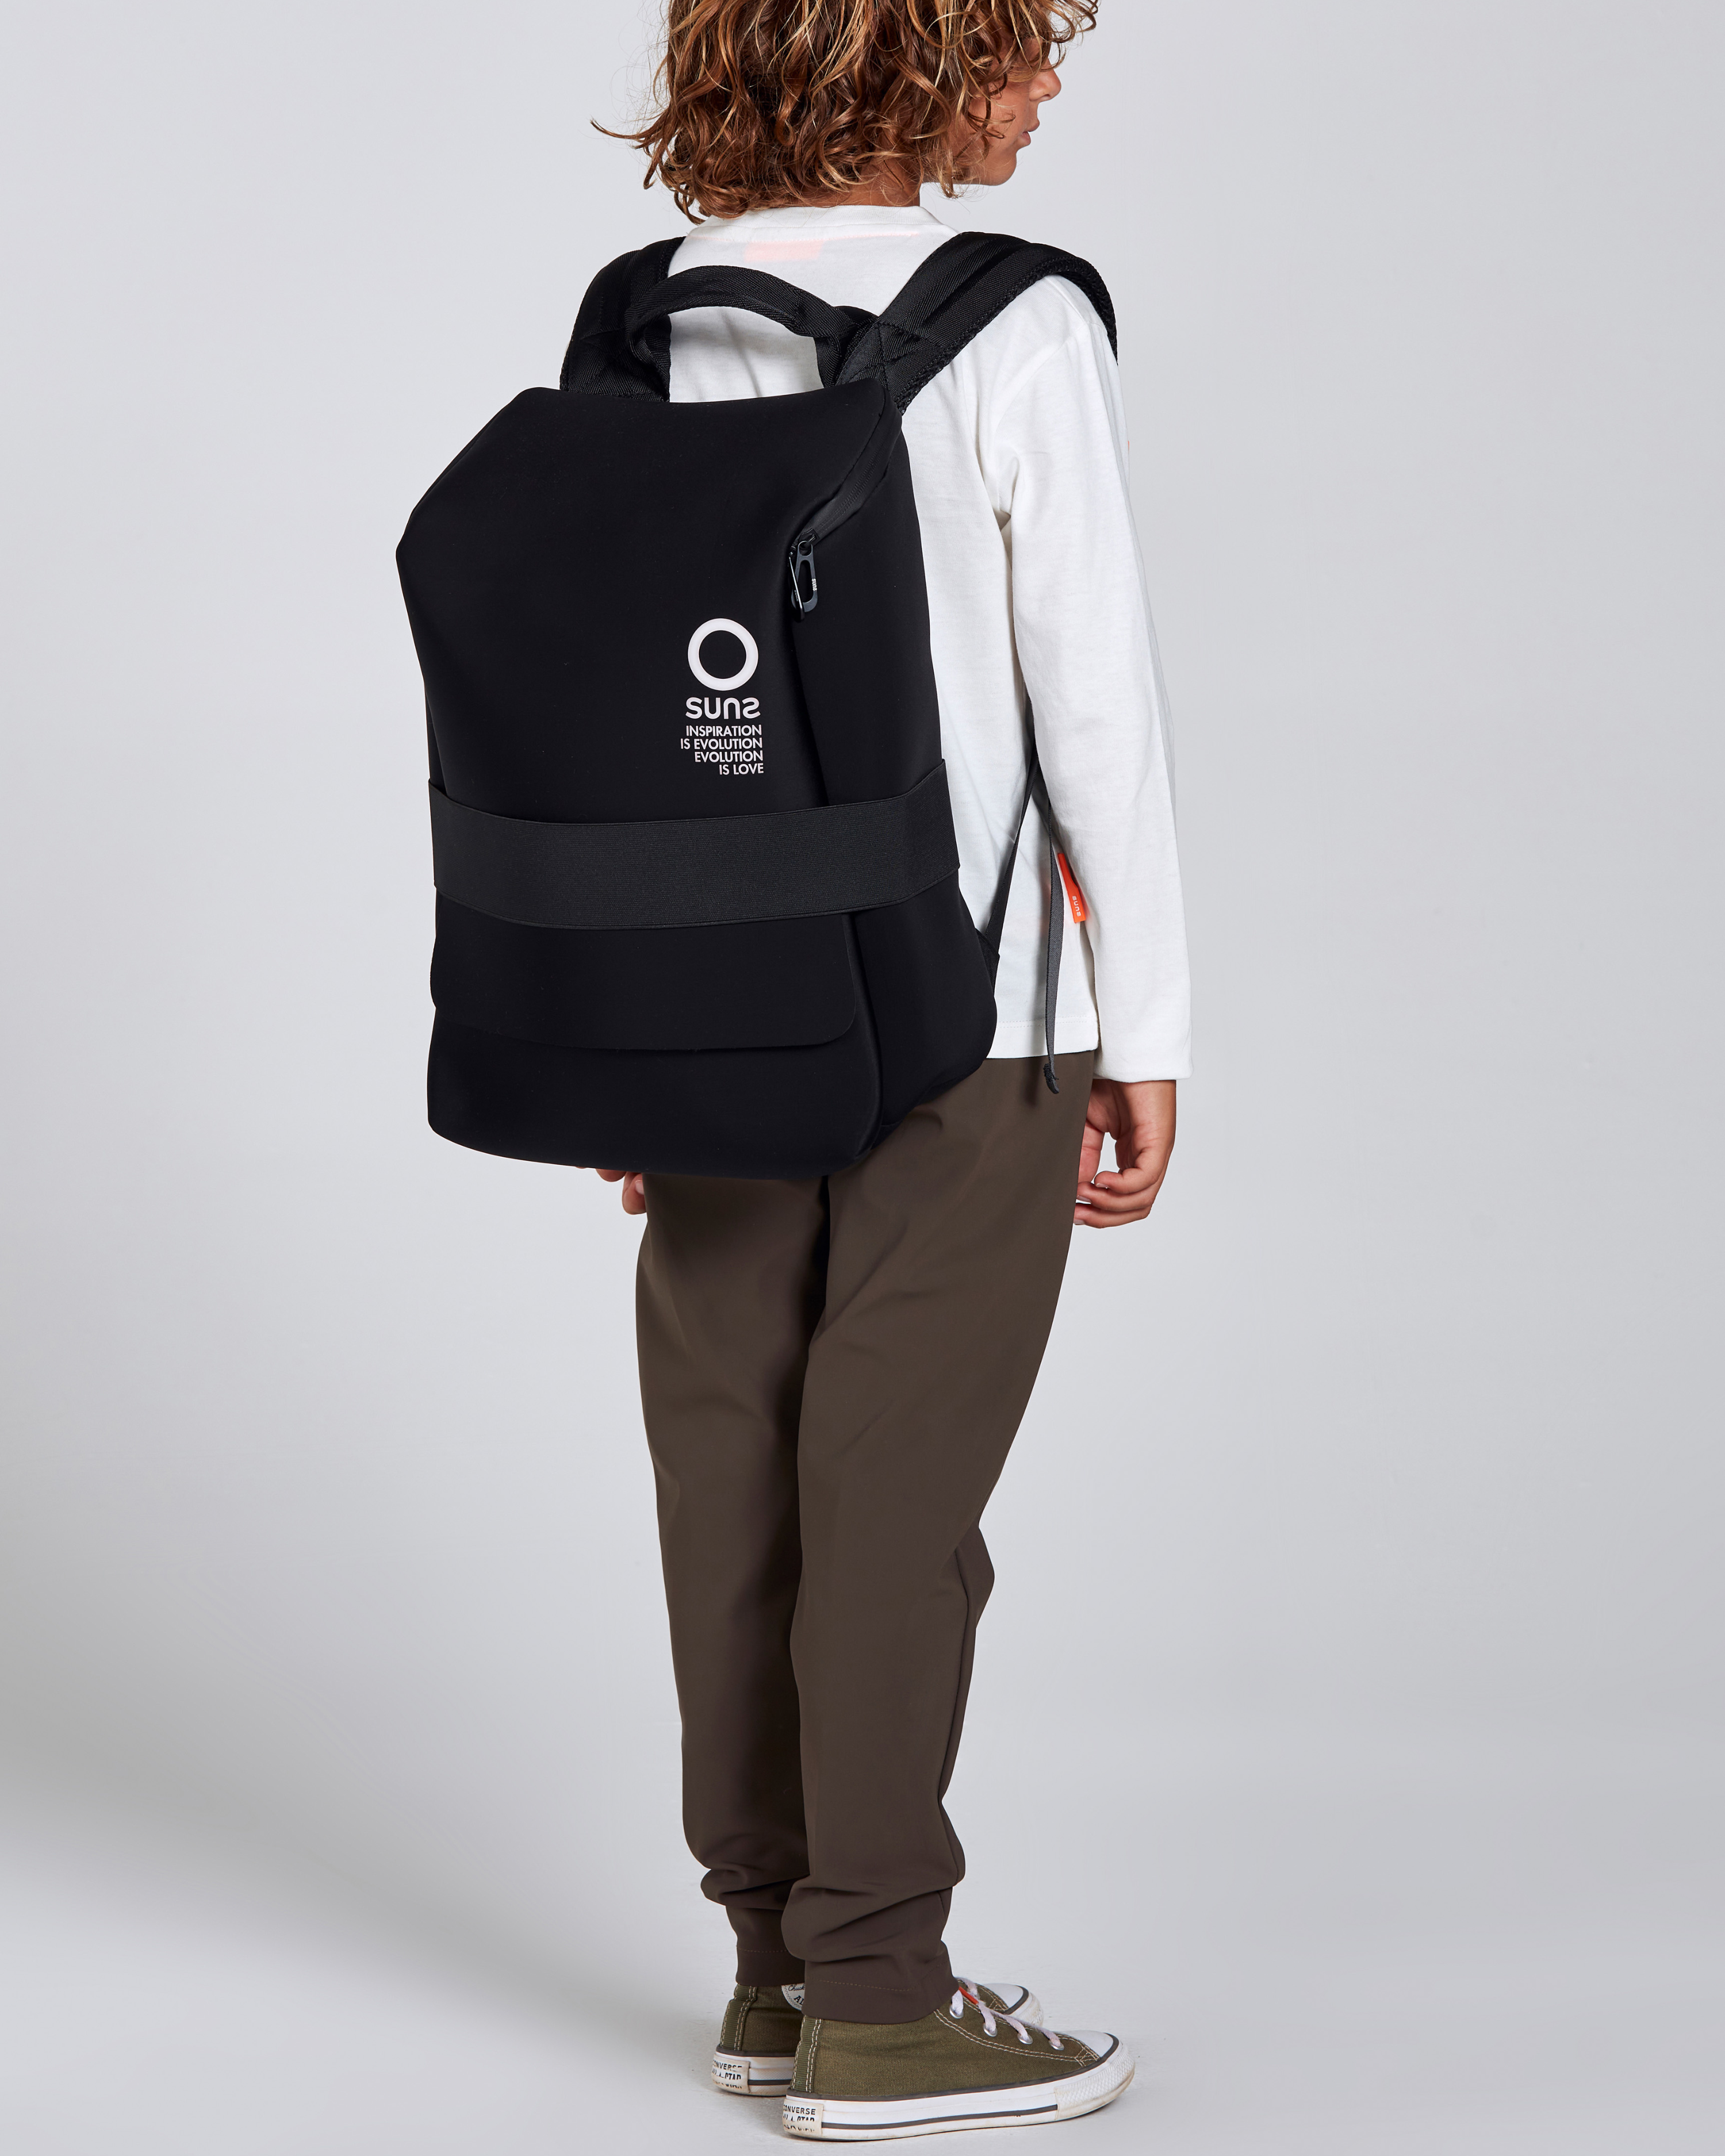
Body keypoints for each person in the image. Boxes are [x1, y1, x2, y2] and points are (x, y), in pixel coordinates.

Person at [596, 1, 1189, 2136]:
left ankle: (771, 1965)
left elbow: (615, 702)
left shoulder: (640, 318)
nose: (1047, 86)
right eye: (1016, 48)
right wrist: (1147, 1023)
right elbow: (1093, 694)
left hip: (712, 1001)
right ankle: (884, 2000)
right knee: (894, 1498)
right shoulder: (1017, 321)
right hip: (974, 1007)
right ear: (913, 66)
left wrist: (626, 1031)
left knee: (734, 1479)